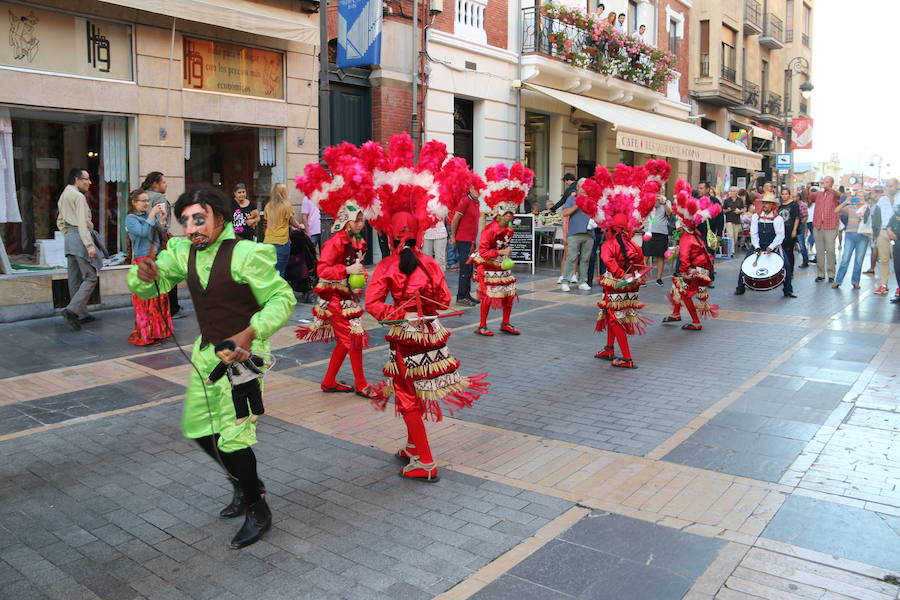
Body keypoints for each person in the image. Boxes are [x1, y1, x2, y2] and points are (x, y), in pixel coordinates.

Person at [127, 185, 296, 549]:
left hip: (244, 359)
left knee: (234, 439)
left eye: (199, 220)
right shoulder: (183, 251)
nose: (191, 229)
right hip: (206, 355)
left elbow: (283, 298)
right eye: (186, 221)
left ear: (220, 218)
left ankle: (257, 507)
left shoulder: (247, 254)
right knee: (200, 429)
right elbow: (153, 285)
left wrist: (251, 333)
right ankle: (242, 482)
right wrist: (142, 276)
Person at [366, 209, 488, 483]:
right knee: (418, 391)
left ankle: (425, 461)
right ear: (419, 234)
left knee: (407, 395)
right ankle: (413, 447)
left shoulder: (387, 265)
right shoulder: (430, 264)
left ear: (390, 234)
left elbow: (372, 304)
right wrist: (425, 309)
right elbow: (445, 298)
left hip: (405, 340)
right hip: (431, 335)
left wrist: (400, 313)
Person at [294, 152, 378, 397]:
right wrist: (346, 270)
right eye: (358, 220)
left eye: (362, 219)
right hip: (335, 300)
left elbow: (353, 266)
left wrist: (359, 271)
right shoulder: (334, 242)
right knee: (354, 338)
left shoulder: (355, 240)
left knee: (346, 341)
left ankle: (329, 381)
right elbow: (322, 270)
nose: (362, 224)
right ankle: (361, 384)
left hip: (347, 298)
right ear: (346, 220)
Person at [580, 160, 669, 367]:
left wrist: (620, 274)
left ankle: (627, 357)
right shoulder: (632, 244)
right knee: (611, 314)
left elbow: (609, 263)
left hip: (617, 286)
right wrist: (633, 277)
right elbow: (639, 263)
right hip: (628, 288)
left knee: (614, 318)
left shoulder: (609, 245)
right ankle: (610, 349)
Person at [474, 163, 534, 335]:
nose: (510, 216)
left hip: (502, 267)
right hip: (487, 267)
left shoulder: (510, 229)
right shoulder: (489, 230)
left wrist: (505, 257)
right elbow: (483, 252)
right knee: (488, 296)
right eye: (507, 214)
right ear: (498, 214)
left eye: (511, 214)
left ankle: (505, 323)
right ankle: (482, 325)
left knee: (509, 294)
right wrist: (500, 253)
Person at [664, 180, 720, 330]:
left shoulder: (688, 236)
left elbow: (684, 258)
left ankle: (696, 322)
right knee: (677, 285)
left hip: (695, 268)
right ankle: (676, 313)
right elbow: (680, 237)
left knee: (684, 291)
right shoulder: (689, 232)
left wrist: (683, 271)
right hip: (698, 265)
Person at [57, 167, 103, 331]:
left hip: (70, 238)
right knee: (91, 277)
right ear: (77, 179)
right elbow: (83, 224)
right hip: (80, 237)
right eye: (87, 179)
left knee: (74, 278)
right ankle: (72, 310)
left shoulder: (64, 194)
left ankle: (81, 314)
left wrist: (68, 235)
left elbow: (60, 221)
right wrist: (89, 246)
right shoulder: (78, 197)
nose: (90, 182)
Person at [125, 188, 171, 346]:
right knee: (146, 301)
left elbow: (161, 232)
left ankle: (159, 332)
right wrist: (152, 215)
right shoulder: (130, 219)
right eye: (143, 201)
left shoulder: (146, 216)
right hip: (142, 262)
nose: (146, 204)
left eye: (147, 201)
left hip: (155, 259)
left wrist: (162, 219)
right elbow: (144, 232)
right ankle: (146, 335)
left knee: (159, 298)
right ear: (134, 202)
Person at [142, 171, 183, 318]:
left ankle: (153, 309)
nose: (166, 185)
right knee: (169, 273)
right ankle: (172, 308)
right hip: (157, 243)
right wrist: (165, 233)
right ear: (155, 184)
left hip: (142, 245)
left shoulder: (141, 197)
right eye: (164, 182)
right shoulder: (159, 199)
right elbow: (161, 226)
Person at [735, 193, 788, 296]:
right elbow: (754, 233)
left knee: (787, 265)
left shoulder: (778, 219)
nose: (765, 205)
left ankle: (788, 290)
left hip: (773, 246)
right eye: (764, 203)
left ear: (773, 205)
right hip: (758, 244)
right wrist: (757, 247)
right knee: (745, 264)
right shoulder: (756, 217)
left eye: (768, 203)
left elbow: (780, 236)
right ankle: (740, 288)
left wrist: (771, 247)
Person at [451, 179, 484, 307]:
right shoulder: (465, 200)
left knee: (469, 269)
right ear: (470, 188)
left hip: (471, 241)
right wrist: (453, 237)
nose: (477, 191)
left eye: (479, 189)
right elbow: (455, 220)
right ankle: (460, 297)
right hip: (463, 240)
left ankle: (467, 294)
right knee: (465, 268)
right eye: (475, 188)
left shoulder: (476, 202)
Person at [832, 190, 871, 290]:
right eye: (858, 196)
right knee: (845, 259)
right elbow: (836, 211)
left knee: (859, 260)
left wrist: (865, 205)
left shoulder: (867, 207)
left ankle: (855, 281)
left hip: (863, 236)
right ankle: (838, 281)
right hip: (850, 235)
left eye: (862, 196)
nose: (860, 198)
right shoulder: (850, 207)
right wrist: (845, 202)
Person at [262, 183, 302, 278]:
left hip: (268, 242)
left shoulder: (268, 206)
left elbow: (266, 223)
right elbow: (293, 222)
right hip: (281, 242)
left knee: (269, 272)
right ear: (283, 193)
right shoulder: (286, 206)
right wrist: (300, 226)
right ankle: (279, 292)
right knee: (280, 271)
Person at [560, 178, 593, 292]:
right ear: (578, 188)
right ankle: (565, 281)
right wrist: (577, 205)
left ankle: (582, 281)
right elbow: (565, 213)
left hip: (589, 233)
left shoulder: (592, 199)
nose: (585, 189)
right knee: (572, 257)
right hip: (574, 233)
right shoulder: (571, 198)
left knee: (585, 259)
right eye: (583, 187)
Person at [811, 176, 841, 283]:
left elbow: (838, 195)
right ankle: (820, 274)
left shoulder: (834, 193)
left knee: (831, 250)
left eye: (827, 182)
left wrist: (828, 188)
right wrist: (808, 186)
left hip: (831, 225)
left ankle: (831, 274)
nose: (824, 183)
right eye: (823, 182)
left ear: (832, 183)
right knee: (819, 251)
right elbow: (807, 196)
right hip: (818, 225)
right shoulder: (819, 194)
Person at [874, 178, 898, 295]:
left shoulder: (899, 199)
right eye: (887, 186)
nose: (889, 188)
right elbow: (876, 215)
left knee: (898, 260)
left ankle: (899, 286)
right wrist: (877, 232)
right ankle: (884, 285)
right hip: (883, 232)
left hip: (896, 233)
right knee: (883, 260)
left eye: (891, 186)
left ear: (897, 186)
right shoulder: (882, 200)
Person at [643, 193, 671, 284]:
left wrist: (663, 203)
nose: (659, 193)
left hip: (662, 232)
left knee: (660, 256)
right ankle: (642, 278)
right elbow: (644, 212)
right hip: (648, 232)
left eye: (661, 190)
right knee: (645, 255)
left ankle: (659, 278)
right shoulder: (648, 201)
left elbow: (669, 213)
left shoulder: (667, 202)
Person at [778, 187, 800, 298]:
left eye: (786, 194)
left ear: (789, 194)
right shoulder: (780, 205)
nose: (784, 196)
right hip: (781, 232)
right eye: (783, 194)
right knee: (782, 252)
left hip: (790, 230)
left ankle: (790, 272)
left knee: (789, 252)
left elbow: (796, 218)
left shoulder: (794, 205)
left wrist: (795, 230)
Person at [722, 187, 743, 254]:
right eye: (730, 191)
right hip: (729, 219)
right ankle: (731, 250)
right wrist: (727, 210)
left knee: (735, 236)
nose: (731, 192)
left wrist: (739, 211)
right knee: (730, 235)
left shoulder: (740, 200)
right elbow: (723, 210)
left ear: (736, 192)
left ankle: (732, 247)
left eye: (733, 191)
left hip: (737, 220)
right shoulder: (727, 200)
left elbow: (743, 208)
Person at [797, 190, 810, 267]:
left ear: (799, 197)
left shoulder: (803, 205)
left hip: (801, 226)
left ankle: (805, 261)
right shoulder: (794, 204)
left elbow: (805, 217)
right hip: (795, 225)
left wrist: (800, 224)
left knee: (802, 244)